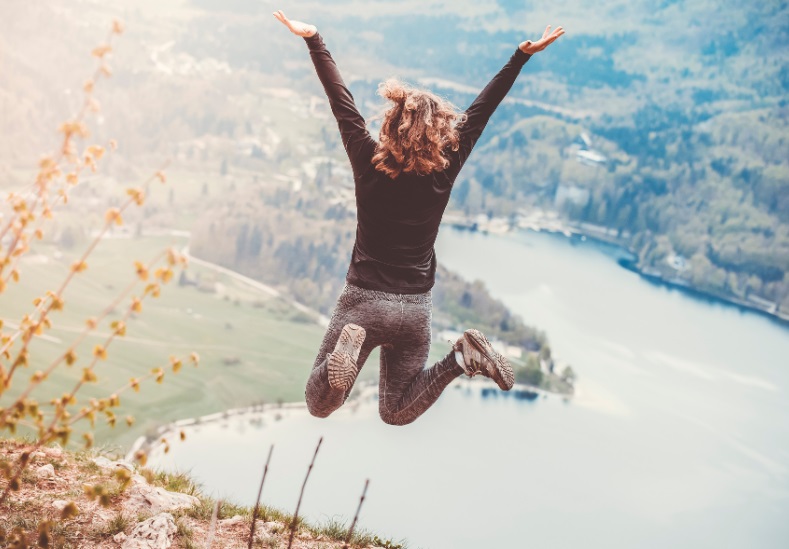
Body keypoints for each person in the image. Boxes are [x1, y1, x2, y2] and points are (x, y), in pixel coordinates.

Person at [274, 10, 564, 425]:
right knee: (395, 411)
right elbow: (483, 110)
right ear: (442, 132)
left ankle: (344, 356)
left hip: (363, 302)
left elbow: (342, 102)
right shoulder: (445, 170)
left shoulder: (367, 161)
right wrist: (520, 56)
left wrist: (314, 39)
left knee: (320, 403)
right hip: (415, 311)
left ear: (390, 124)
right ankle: (461, 359)